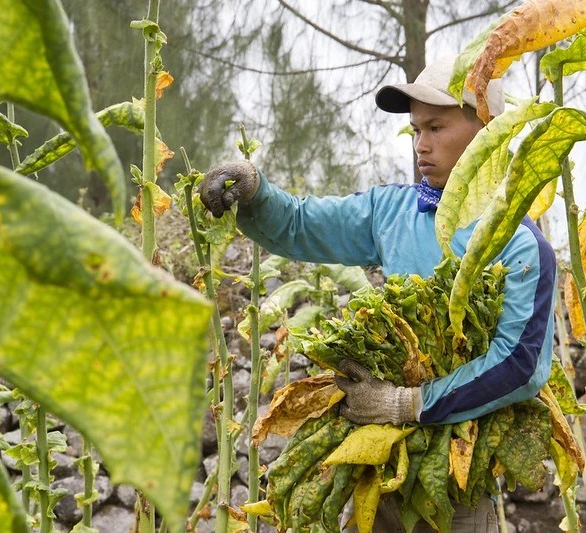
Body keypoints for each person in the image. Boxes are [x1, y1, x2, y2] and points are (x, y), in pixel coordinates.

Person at [200, 55, 556, 533]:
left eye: (435, 128)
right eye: (416, 132)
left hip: (457, 485)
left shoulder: (519, 241)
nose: (421, 146)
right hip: (378, 472)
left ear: (487, 132)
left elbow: (520, 366)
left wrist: (408, 404)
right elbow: (301, 225)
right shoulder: (393, 211)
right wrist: (258, 192)